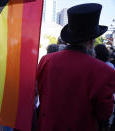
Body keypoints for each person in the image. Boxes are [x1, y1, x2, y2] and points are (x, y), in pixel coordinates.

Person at [37, 3, 115, 131]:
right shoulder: (104, 71)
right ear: (91, 41)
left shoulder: (46, 60)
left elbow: (41, 93)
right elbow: (104, 114)